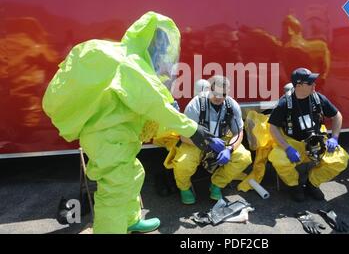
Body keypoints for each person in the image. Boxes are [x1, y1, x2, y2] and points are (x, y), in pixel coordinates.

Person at [42, 12, 221, 234]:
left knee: (134, 174)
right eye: (160, 45)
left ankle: (130, 220)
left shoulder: (129, 60)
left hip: (113, 138)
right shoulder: (130, 64)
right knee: (115, 192)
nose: (162, 53)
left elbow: (136, 105)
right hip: (108, 139)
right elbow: (153, 104)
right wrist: (192, 129)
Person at [268, 68, 348, 202]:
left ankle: (312, 184)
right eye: (310, 83)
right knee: (278, 159)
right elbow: (273, 127)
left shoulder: (318, 98)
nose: (314, 85)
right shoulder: (284, 104)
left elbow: (337, 116)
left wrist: (334, 138)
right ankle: (294, 186)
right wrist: (287, 148)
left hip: (316, 143)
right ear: (298, 85)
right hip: (294, 144)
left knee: (340, 160)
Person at [172, 75, 252, 204]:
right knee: (183, 163)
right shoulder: (196, 104)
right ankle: (184, 188)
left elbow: (239, 133)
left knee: (244, 157)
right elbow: (184, 135)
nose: (219, 97)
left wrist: (230, 149)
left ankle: (217, 184)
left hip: (222, 140)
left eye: (223, 94)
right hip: (195, 141)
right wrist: (208, 142)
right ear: (209, 89)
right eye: (215, 93)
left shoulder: (232, 105)